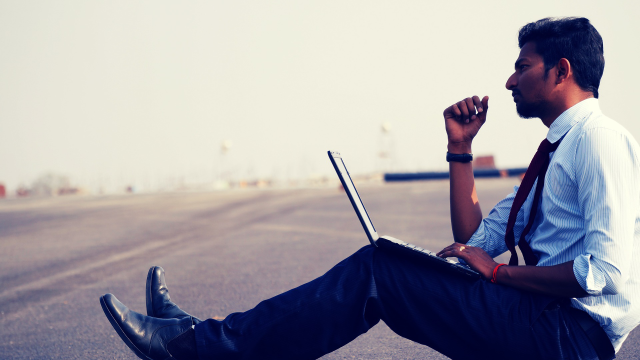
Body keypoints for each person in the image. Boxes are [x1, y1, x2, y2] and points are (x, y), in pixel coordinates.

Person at [100, 17, 640, 360]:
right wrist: (459, 149)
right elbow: (476, 235)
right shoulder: (558, 148)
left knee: (381, 270)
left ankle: (197, 348)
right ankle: (196, 337)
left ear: (561, 71)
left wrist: (496, 271)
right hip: (544, 322)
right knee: (387, 263)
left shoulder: (599, 142)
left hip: (569, 339)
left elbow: (604, 274)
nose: (508, 80)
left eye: (521, 67)